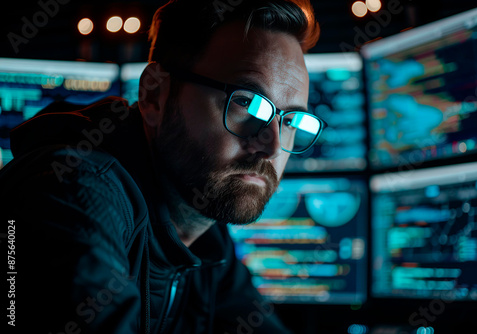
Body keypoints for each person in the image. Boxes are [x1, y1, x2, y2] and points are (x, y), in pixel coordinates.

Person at [0, 0, 324, 333]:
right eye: (245, 102)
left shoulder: (206, 236)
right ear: (155, 94)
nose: (271, 145)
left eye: (291, 120)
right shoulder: (72, 193)